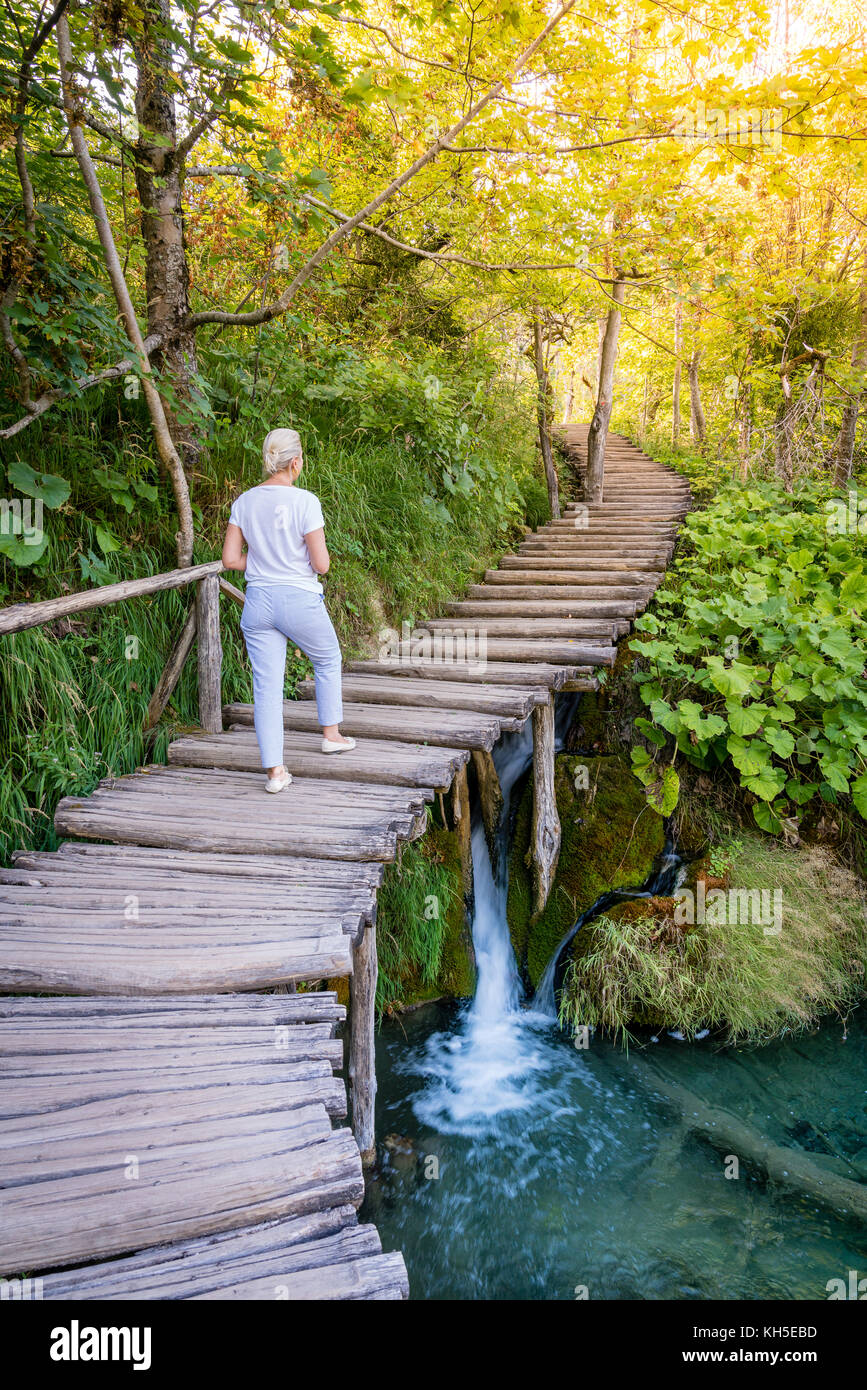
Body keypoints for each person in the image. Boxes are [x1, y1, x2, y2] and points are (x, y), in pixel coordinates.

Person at [222, 428, 355, 793]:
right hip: (298, 600)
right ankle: (331, 735)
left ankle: (275, 773)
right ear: (295, 462)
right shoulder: (306, 502)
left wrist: (261, 559)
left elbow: (230, 559)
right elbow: (322, 564)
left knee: (266, 688)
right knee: (327, 659)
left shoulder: (244, 501)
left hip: (259, 603)